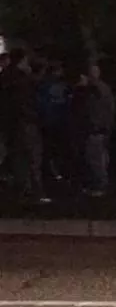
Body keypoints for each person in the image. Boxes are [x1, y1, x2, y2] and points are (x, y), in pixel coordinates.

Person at [0, 48, 49, 203]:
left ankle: (22, 190)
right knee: (33, 157)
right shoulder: (24, 80)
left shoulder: (5, 77)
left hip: (11, 124)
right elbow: (29, 102)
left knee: (18, 158)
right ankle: (36, 191)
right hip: (25, 122)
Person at [81, 63, 115, 196]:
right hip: (103, 127)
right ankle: (99, 183)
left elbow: (92, 109)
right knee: (101, 156)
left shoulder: (93, 89)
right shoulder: (105, 88)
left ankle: (99, 185)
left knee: (96, 158)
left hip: (96, 128)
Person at [36, 62, 69, 181]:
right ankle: (54, 170)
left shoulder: (45, 86)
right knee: (54, 148)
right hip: (55, 122)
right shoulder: (55, 86)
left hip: (53, 122)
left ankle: (53, 170)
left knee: (52, 148)